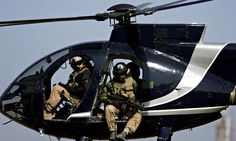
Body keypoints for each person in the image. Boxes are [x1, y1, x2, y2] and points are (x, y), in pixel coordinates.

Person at [100, 62, 142, 141]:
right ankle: (112, 132)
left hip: (127, 107)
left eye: (123, 74)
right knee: (109, 108)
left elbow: (138, 94)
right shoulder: (111, 84)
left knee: (137, 115)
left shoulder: (132, 82)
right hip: (116, 108)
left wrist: (133, 103)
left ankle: (124, 133)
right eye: (119, 75)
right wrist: (111, 101)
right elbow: (102, 96)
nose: (121, 77)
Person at [44, 56, 91, 120]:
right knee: (58, 87)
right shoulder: (77, 73)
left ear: (83, 62)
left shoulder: (85, 73)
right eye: (75, 64)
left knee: (57, 89)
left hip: (79, 100)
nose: (77, 66)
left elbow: (83, 89)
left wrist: (67, 88)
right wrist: (65, 86)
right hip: (75, 97)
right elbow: (72, 86)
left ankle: (47, 112)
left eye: (79, 63)